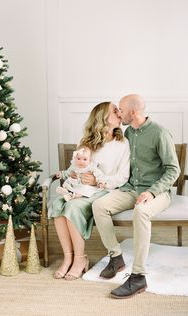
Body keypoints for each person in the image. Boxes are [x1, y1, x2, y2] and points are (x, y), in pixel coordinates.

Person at [92, 94, 180, 299]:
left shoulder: (160, 133)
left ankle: (139, 276)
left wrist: (152, 192)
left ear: (132, 112)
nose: (118, 113)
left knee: (140, 212)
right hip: (132, 189)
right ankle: (116, 257)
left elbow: (173, 170)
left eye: (120, 110)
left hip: (157, 192)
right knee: (99, 205)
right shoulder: (128, 133)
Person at [50, 101, 130, 281]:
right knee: (57, 205)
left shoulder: (122, 143)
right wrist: (74, 174)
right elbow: (76, 166)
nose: (119, 112)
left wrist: (99, 181)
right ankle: (68, 257)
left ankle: (80, 259)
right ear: (103, 117)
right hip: (81, 189)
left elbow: (123, 176)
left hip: (104, 191)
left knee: (73, 208)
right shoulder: (86, 142)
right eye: (114, 110)